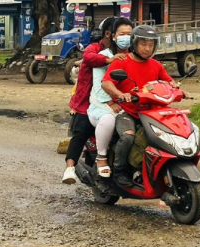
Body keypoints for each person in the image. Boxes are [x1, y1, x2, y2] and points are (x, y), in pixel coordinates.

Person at [101, 24, 174, 187]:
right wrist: (119, 94)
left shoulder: (156, 65)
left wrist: (179, 90)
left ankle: (150, 171)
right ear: (134, 44)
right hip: (126, 112)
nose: (147, 49)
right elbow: (106, 83)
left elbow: (169, 81)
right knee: (128, 136)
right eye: (143, 44)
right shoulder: (122, 61)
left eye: (150, 45)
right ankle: (119, 171)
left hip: (151, 113)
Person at [61, 17, 124, 184]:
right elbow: (89, 58)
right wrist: (109, 60)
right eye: (121, 33)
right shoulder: (95, 49)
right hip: (87, 102)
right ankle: (70, 168)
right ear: (109, 34)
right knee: (80, 133)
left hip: (114, 100)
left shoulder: (124, 52)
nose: (125, 37)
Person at [86, 18, 133, 178]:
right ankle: (101, 157)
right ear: (113, 36)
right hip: (102, 104)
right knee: (108, 120)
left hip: (129, 104)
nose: (126, 37)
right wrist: (111, 101)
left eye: (129, 34)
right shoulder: (104, 56)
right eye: (122, 34)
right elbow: (100, 85)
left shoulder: (135, 57)